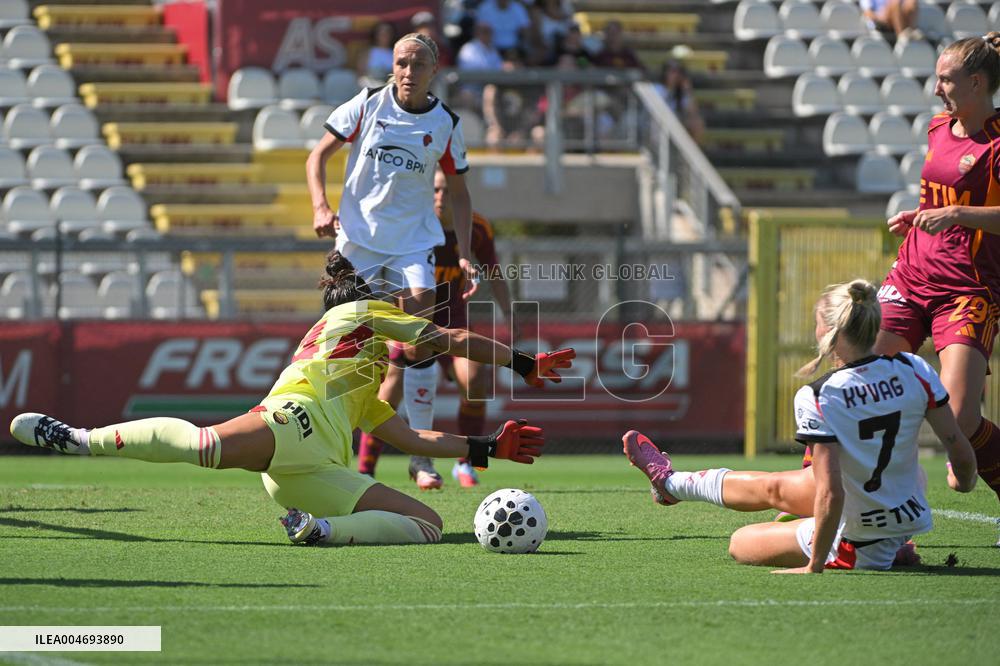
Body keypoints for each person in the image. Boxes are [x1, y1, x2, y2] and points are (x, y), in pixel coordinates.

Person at [9, 252, 576, 547]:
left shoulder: (360, 380)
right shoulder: (355, 316)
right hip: (293, 422)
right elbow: (448, 339)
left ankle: (318, 530)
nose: (412, 312)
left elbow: (408, 438)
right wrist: (522, 362)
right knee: (205, 446)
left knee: (426, 524)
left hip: (312, 472)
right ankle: (77, 439)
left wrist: (484, 448)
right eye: (404, 303)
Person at [624, 279, 978, 572]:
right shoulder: (914, 366)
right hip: (910, 514)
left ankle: (670, 483)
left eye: (817, 321)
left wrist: (816, 564)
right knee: (780, 489)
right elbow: (957, 443)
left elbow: (830, 493)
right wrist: (962, 481)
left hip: (857, 541)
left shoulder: (819, 394)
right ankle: (670, 483)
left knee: (741, 542)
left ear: (830, 331)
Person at [306, 32, 478, 492]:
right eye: (401, 62)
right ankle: (333, 448)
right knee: (341, 342)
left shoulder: (445, 123)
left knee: (421, 332)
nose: (407, 71)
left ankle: (420, 455)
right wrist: (321, 207)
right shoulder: (364, 105)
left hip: (410, 244)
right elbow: (317, 156)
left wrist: (464, 252)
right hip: (357, 242)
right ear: (392, 67)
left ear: (433, 71)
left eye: (418, 64)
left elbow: (459, 192)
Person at [880, 35, 1000, 512]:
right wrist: (918, 216)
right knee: (853, 380)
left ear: (975, 82)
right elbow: (941, 202)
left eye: (945, 79)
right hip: (909, 277)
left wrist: (957, 215)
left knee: (959, 419)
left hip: (967, 291)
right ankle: (818, 492)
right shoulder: (937, 128)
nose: (936, 89)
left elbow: (961, 211)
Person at [358, 169, 516, 487]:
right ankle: (365, 471)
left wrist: (510, 317)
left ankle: (465, 463)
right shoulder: (412, 226)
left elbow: (495, 272)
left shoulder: (477, 228)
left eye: (446, 190)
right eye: (434, 190)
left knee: (475, 381)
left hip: (454, 322)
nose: (440, 197)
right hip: (411, 322)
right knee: (387, 394)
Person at [653, 61, 704, 144]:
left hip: (677, 124)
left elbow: (693, 112)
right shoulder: (657, 88)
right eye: (672, 72)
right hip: (659, 124)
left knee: (696, 122)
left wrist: (687, 91)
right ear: (665, 73)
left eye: (679, 72)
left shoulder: (681, 93)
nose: (676, 75)